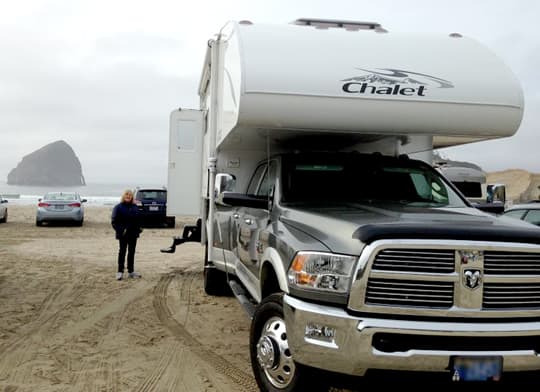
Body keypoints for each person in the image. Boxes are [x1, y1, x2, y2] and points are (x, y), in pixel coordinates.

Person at [111, 189, 142, 280]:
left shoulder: (135, 207)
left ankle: (131, 271)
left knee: (131, 252)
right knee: (122, 252)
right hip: (123, 234)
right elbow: (114, 222)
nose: (128, 196)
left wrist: (140, 229)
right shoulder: (118, 207)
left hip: (133, 234)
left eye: (130, 195)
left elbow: (139, 220)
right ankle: (120, 271)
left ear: (132, 197)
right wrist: (121, 230)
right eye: (126, 195)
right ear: (123, 196)